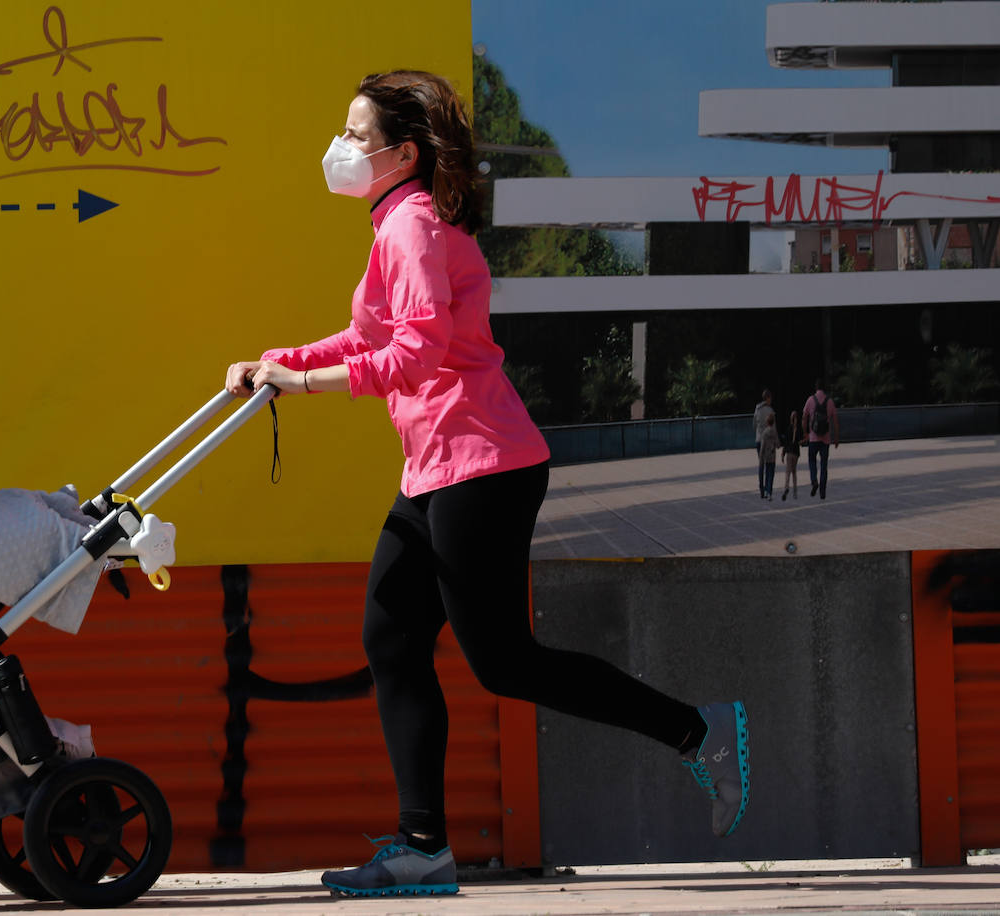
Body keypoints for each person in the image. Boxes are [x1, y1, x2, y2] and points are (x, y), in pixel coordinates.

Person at [223, 70, 751, 899]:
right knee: (391, 640)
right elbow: (368, 333)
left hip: (483, 466)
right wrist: (279, 361)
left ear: (401, 153)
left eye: (357, 136)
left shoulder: (414, 230)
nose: (342, 148)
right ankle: (422, 847)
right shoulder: (396, 222)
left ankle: (697, 731)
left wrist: (301, 387)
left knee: (504, 663)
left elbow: (415, 357)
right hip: (440, 466)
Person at [801, 380, 839, 500]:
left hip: (813, 438)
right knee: (824, 465)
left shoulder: (810, 400)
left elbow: (804, 418)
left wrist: (806, 433)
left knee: (812, 460)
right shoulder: (830, 401)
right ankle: (822, 492)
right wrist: (836, 438)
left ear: (816, 388)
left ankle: (814, 481)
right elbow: (835, 421)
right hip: (826, 439)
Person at [781, 411, 802, 500]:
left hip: (789, 452)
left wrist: (783, 453)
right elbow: (800, 441)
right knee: (794, 472)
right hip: (796, 453)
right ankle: (795, 491)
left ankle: (786, 487)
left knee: (787, 472)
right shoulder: (799, 429)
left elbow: (786, 443)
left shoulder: (789, 429)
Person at [758, 413, 778, 499]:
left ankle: (766, 491)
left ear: (767, 422)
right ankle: (770, 491)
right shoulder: (774, 432)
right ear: (773, 422)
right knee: (771, 475)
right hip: (773, 456)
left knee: (766, 473)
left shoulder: (764, 432)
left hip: (766, 456)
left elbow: (762, 446)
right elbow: (778, 444)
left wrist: (761, 456)